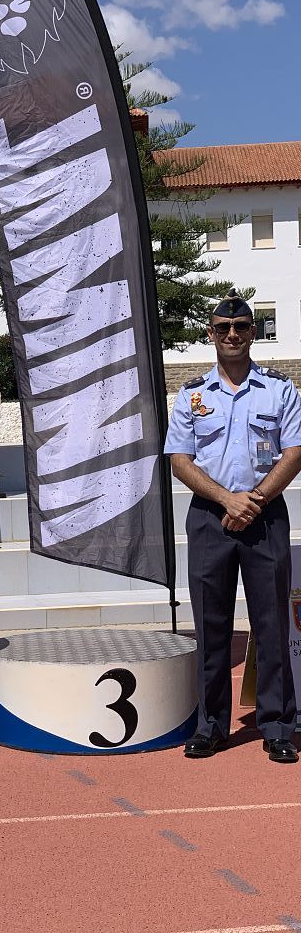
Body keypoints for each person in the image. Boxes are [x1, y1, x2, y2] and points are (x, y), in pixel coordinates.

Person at [165, 290, 301, 763]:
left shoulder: (281, 390)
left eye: (241, 327)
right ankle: (211, 726)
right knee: (212, 625)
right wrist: (227, 499)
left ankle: (278, 725)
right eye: (223, 328)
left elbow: (295, 452)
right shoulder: (193, 395)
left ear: (254, 333)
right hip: (209, 519)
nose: (232, 335)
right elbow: (180, 461)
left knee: (271, 623)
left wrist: (255, 501)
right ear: (211, 334)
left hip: (265, 517)